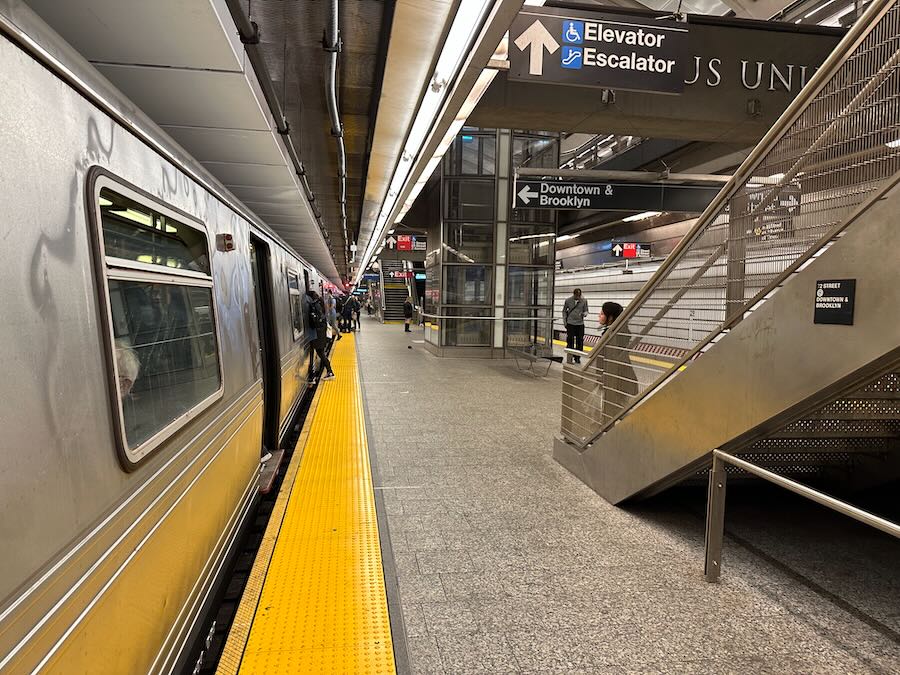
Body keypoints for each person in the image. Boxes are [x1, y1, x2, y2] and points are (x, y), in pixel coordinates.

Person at [597, 301, 638, 421]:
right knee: (616, 411)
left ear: (610, 318)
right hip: (617, 378)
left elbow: (608, 358)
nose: (599, 315)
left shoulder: (612, 335)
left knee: (618, 411)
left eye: (602, 313)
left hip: (617, 380)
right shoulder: (617, 333)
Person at [304, 289, 335, 382]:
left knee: (321, 353)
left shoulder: (315, 306)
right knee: (321, 353)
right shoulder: (319, 304)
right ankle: (326, 372)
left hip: (318, 333)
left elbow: (316, 321)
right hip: (321, 332)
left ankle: (330, 372)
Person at [562, 288, 588, 364]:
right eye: (577, 295)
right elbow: (564, 311)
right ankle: (570, 356)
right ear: (574, 294)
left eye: (579, 295)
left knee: (580, 341)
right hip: (570, 323)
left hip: (580, 323)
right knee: (570, 340)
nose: (578, 297)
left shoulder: (584, 300)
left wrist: (584, 314)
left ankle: (577, 357)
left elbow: (586, 310)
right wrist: (565, 322)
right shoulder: (568, 300)